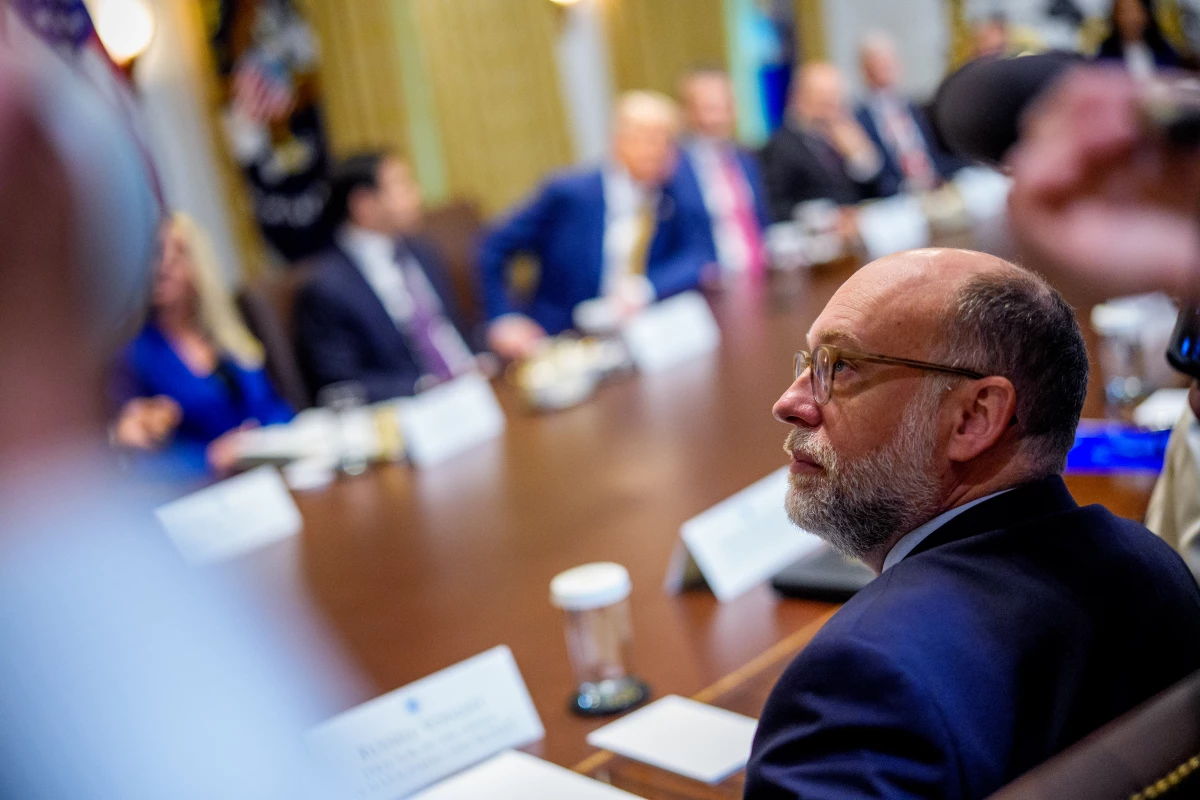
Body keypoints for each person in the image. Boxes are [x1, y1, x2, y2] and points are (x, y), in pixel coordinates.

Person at [745, 247, 1200, 799]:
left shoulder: (861, 681)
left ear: (974, 417)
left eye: (840, 368)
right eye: (807, 364)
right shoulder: (1154, 566)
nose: (789, 403)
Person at [479, 91, 713, 360]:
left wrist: (645, 289)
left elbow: (698, 254)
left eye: (668, 140)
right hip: (566, 336)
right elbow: (492, 247)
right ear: (618, 142)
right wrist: (503, 318)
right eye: (649, 139)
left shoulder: (673, 191)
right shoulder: (570, 193)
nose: (660, 150)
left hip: (640, 337)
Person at [111, 213, 293, 475]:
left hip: (267, 469)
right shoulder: (133, 353)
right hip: (204, 487)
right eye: (154, 256)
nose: (163, 266)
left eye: (177, 253)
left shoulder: (226, 332)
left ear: (198, 262)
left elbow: (273, 407)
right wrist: (210, 458)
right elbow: (136, 454)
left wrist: (267, 437)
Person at [293, 152, 477, 402]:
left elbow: (454, 328)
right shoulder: (327, 287)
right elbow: (341, 385)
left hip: (475, 386)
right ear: (364, 205)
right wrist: (424, 386)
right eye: (402, 186)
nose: (416, 195)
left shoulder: (421, 251)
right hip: (420, 407)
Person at [674, 66, 772, 279]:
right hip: (714, 283)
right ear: (688, 111)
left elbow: (760, 220)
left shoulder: (745, 158)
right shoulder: (674, 168)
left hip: (761, 275)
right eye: (708, 108)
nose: (719, 118)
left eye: (725, 107)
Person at [760, 62, 882, 222]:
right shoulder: (780, 145)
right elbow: (775, 205)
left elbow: (876, 191)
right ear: (800, 96)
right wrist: (825, 217)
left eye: (835, 95)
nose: (830, 102)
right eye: (822, 95)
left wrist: (860, 156)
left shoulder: (843, 134)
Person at [854, 33, 959, 197]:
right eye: (878, 65)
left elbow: (935, 152)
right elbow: (871, 173)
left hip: (936, 185)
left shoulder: (914, 107)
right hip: (898, 194)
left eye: (889, 63)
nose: (885, 70)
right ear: (865, 70)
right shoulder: (859, 118)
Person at [1096, 0, 1180, 76]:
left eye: (1136, 11)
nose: (1130, 18)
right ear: (1114, 16)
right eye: (1124, 12)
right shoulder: (1106, 54)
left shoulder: (1163, 50)